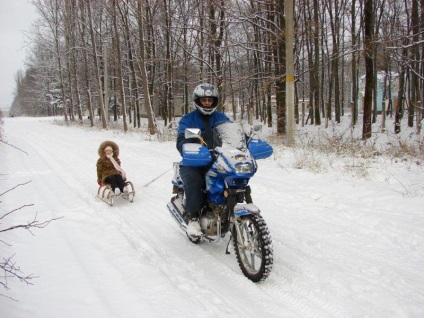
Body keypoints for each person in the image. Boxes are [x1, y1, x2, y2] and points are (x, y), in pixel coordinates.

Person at [176, 83, 230, 236]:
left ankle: (232, 212)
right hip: (194, 160)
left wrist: (246, 141)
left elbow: (233, 134)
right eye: (204, 100)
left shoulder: (221, 118)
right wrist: (189, 147)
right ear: (197, 101)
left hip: (217, 159)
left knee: (233, 178)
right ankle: (193, 218)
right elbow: (181, 140)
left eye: (210, 100)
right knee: (195, 180)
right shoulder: (188, 119)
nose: (207, 103)